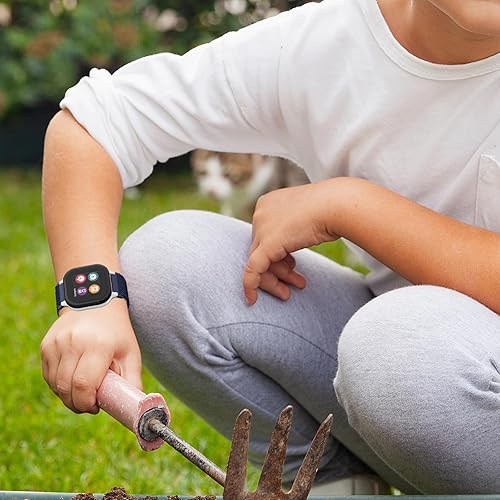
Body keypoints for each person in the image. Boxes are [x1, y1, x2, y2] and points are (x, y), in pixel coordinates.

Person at [40, 0, 500, 494]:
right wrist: (90, 302)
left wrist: (351, 207)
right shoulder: (330, 44)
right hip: (412, 387)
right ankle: (329, 485)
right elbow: (96, 124)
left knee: (398, 345)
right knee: (168, 265)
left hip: (415, 360)